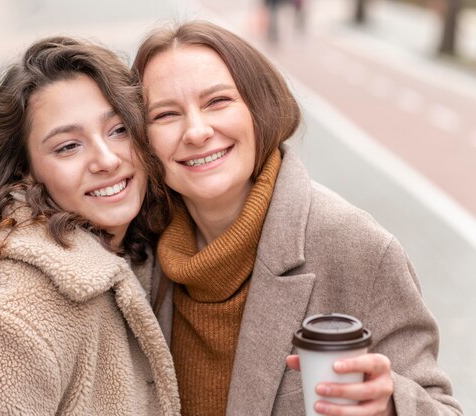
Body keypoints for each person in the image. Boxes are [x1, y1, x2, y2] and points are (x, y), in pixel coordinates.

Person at [132, 21, 462, 416]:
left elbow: (442, 407)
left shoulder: (356, 248)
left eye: (217, 101)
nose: (197, 131)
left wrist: (390, 405)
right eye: (166, 114)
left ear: (259, 108)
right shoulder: (136, 253)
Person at [0, 36, 180, 415]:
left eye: (118, 130)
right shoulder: (13, 319)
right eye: (68, 146)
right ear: (24, 172)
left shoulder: (137, 252)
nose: (106, 160)